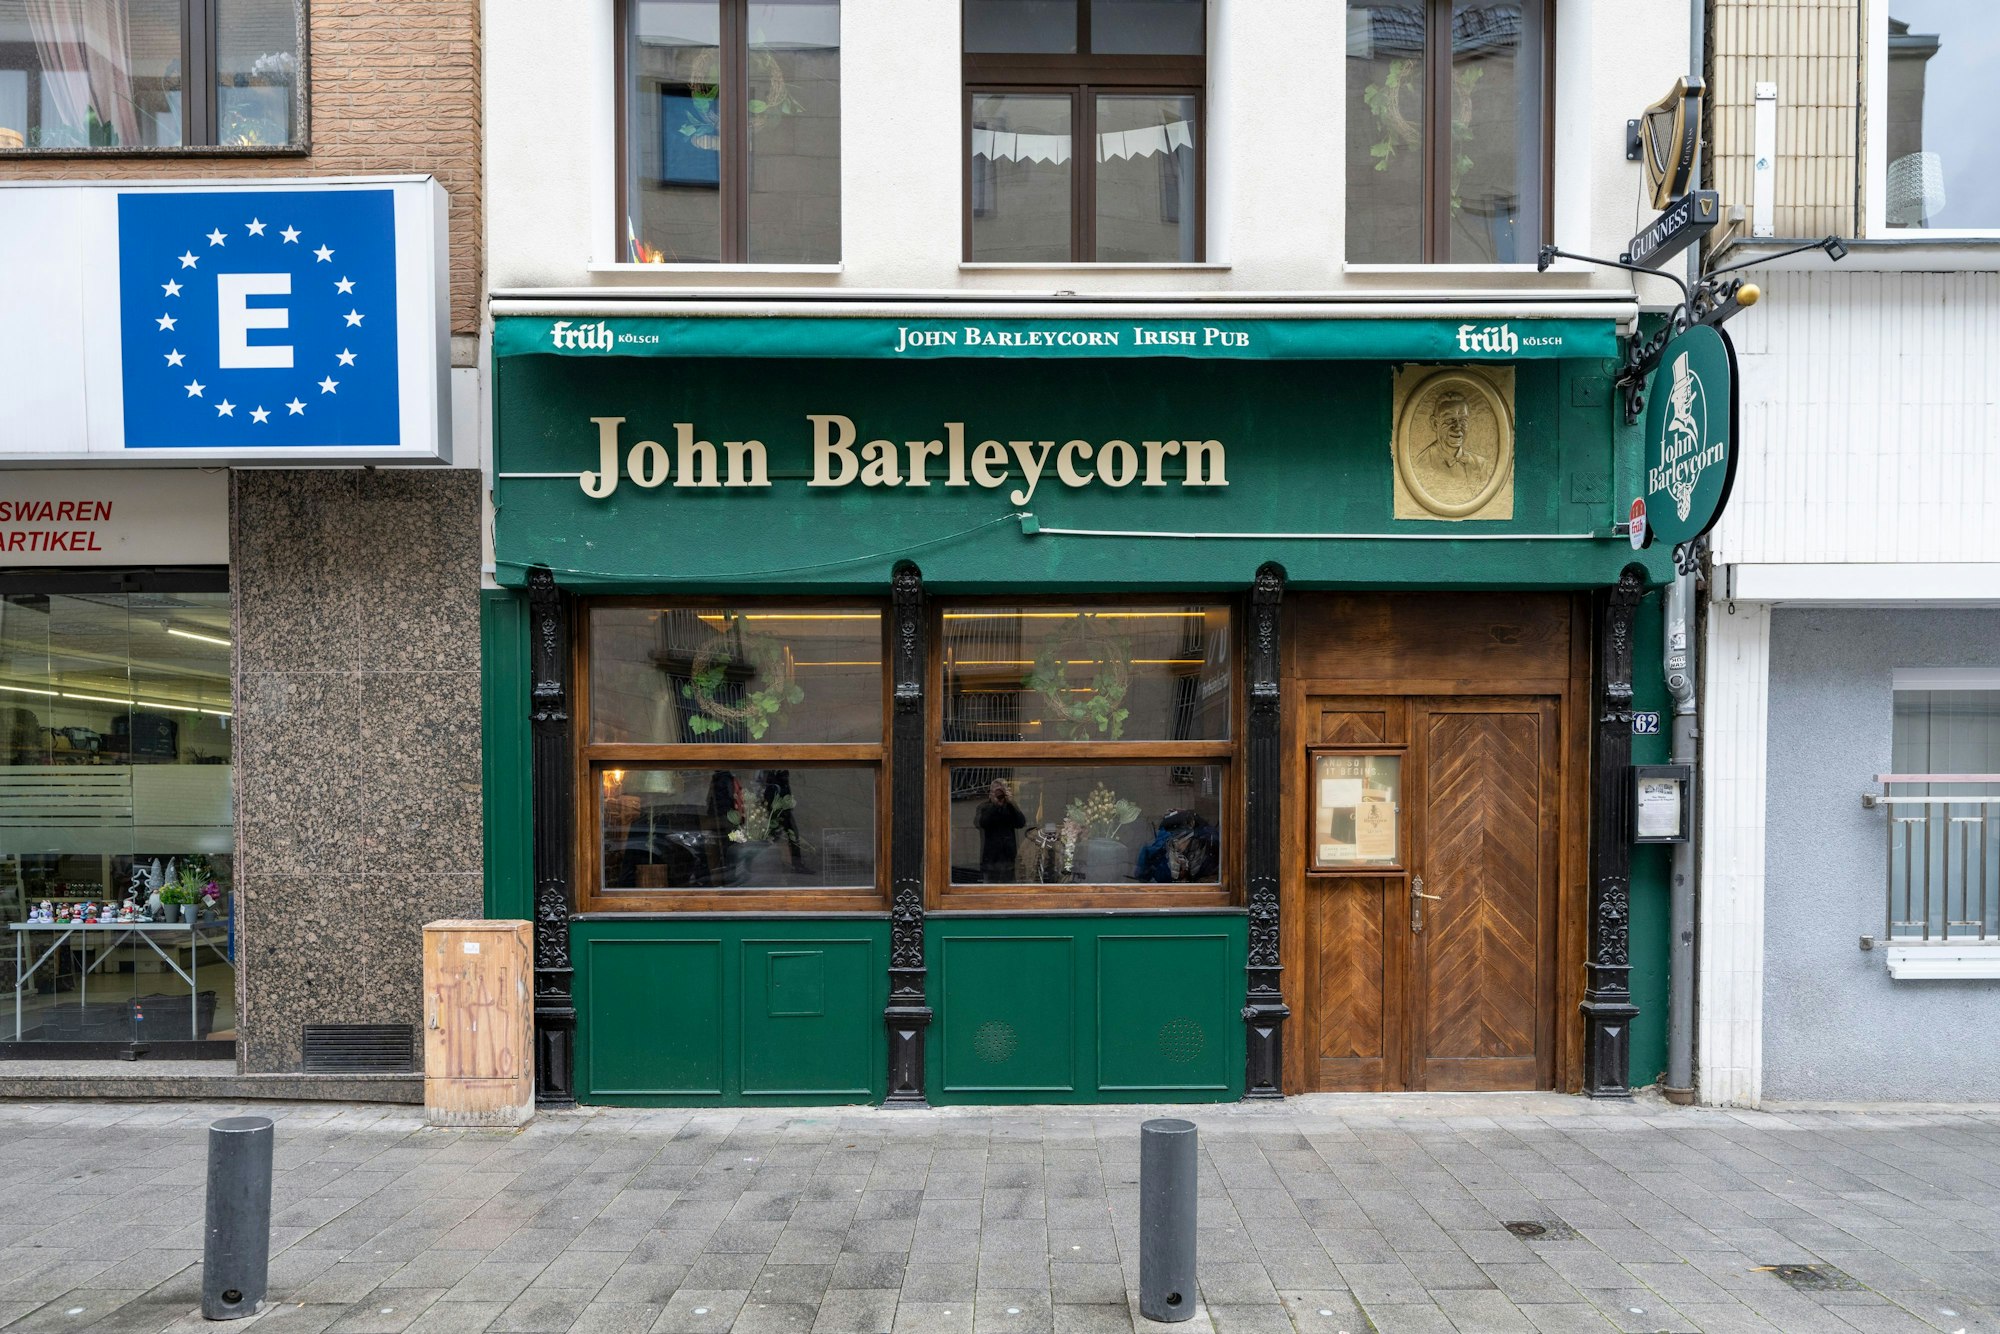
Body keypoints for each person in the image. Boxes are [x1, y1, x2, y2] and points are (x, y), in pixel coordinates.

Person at [974, 778, 1027, 883]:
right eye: (996, 791)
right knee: (989, 889)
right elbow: (981, 823)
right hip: (990, 860)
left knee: (1009, 889)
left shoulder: (1010, 807)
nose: (999, 794)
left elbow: (1021, 823)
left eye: (1001, 791)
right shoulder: (984, 807)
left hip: (1009, 860)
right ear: (990, 793)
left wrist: (1011, 803)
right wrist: (994, 805)